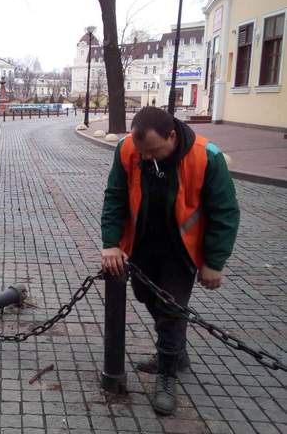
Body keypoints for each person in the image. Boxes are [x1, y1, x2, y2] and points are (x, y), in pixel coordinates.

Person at [100, 107, 239, 415]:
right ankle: (175, 352)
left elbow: (225, 212)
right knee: (146, 295)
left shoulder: (207, 156)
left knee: (171, 309)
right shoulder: (128, 150)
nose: (147, 158)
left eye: (154, 151)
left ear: (172, 136)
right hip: (142, 245)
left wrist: (214, 261)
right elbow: (115, 195)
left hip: (181, 250)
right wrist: (111, 243)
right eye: (143, 153)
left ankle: (167, 375)